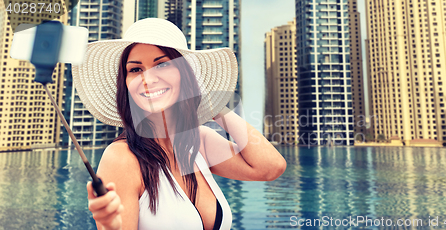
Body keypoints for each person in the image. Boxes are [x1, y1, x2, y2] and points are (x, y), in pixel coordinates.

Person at [72, 18, 287, 230]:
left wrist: (215, 106)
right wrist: (110, 226)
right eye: (136, 70)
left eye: (162, 64)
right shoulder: (121, 158)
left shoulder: (198, 140)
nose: (148, 79)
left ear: (184, 74)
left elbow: (270, 168)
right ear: (126, 83)